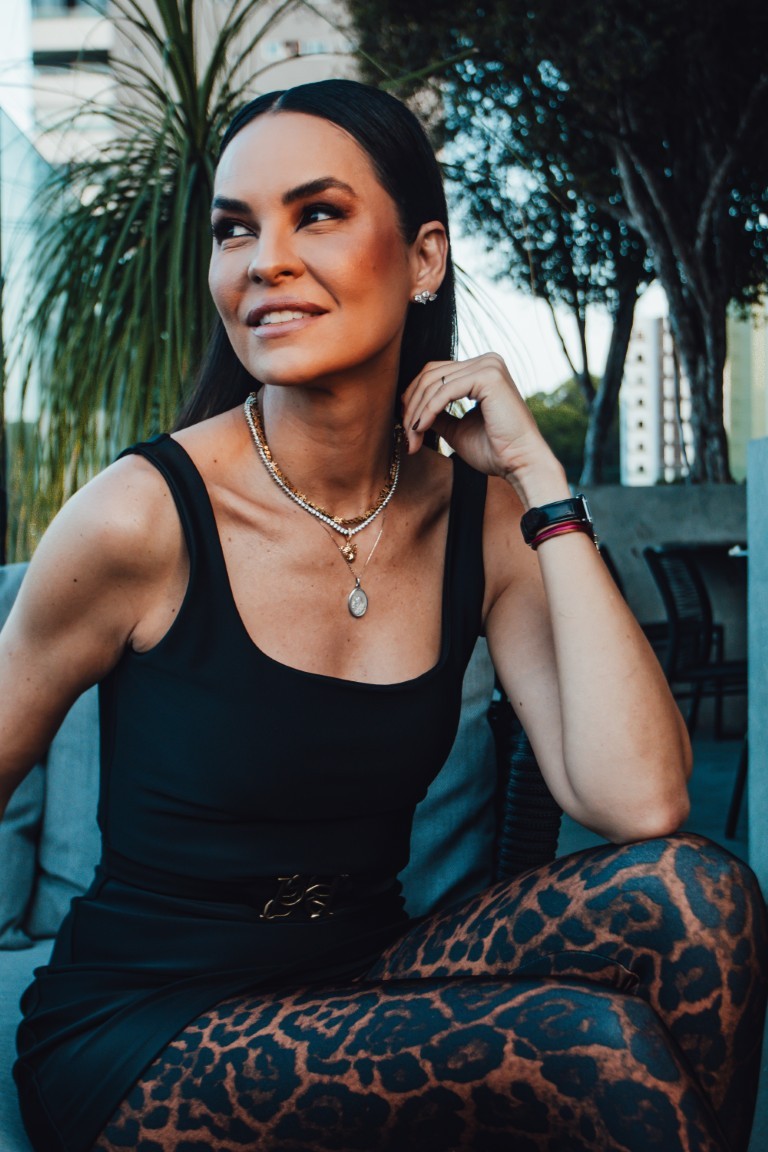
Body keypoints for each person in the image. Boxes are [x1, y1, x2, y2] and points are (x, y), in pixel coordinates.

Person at [0, 78, 765, 1152]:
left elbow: (640, 801)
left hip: (364, 969)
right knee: (582, 1049)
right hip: (149, 1029)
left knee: (699, 898)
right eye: (234, 229)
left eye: (317, 213)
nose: (264, 260)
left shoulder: (479, 519)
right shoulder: (142, 515)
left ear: (424, 258)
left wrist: (542, 484)